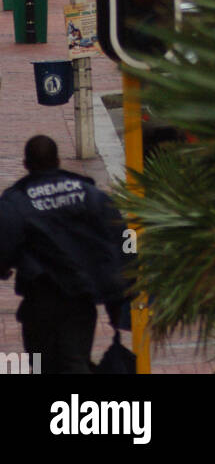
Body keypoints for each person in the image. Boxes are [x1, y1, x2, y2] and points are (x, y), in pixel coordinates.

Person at [0, 135, 129, 374]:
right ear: (58, 160)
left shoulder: (16, 201)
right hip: (81, 296)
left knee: (43, 364)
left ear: (26, 164)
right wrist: (121, 285)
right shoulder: (88, 193)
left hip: (40, 299)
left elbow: (3, 244)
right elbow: (121, 235)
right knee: (74, 359)